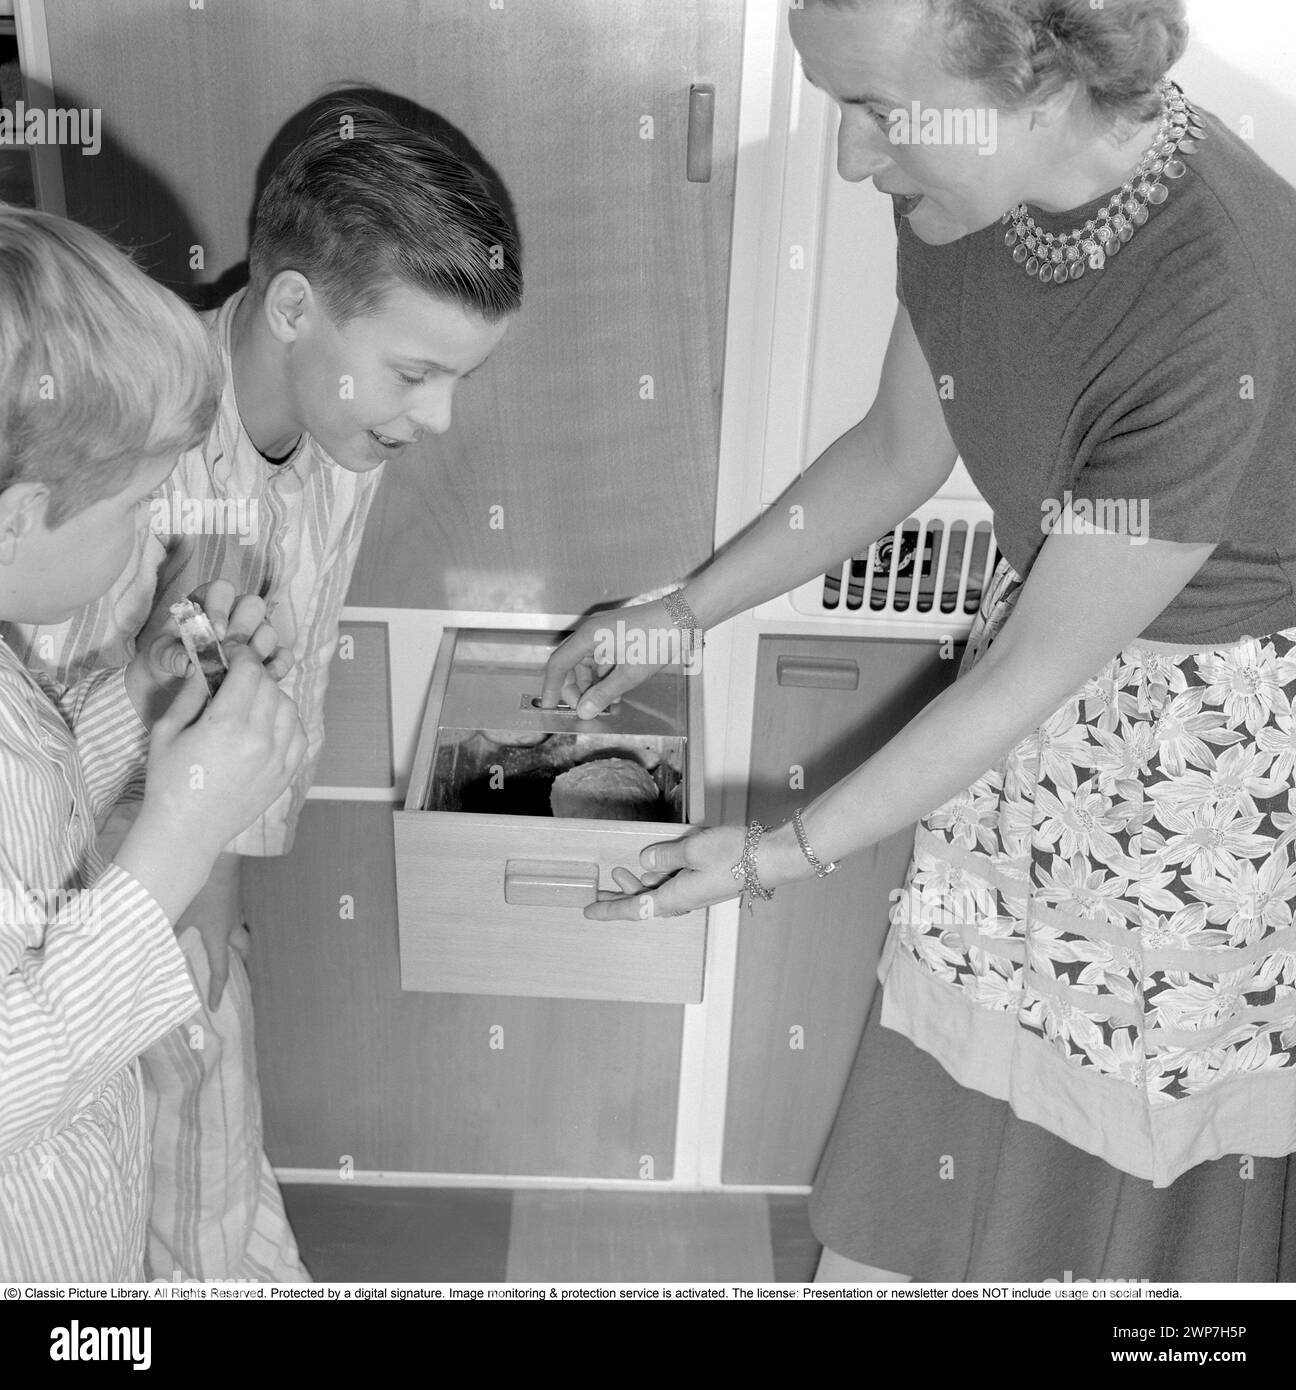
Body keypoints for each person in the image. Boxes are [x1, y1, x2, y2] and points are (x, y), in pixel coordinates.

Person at [541, 0, 1296, 1282]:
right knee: (957, 1038)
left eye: (877, 114)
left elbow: (1031, 680)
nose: (849, 159)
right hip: (1041, 675)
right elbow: (901, 450)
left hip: (1202, 764)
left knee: (1116, 1117)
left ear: (1046, 84)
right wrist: (682, 614)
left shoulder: (1218, 291)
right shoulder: (961, 194)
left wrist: (773, 857)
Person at [6, 95, 522, 1281]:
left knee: (213, 1195)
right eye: (416, 373)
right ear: (294, 308)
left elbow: (131, 709)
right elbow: (50, 792)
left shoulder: (347, 424)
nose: (437, 417)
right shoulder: (126, 458)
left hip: (197, 907)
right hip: (112, 943)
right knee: (180, 1218)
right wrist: (190, 935)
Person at [0, 207, 306, 1279]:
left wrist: (148, 688)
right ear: (18, 517)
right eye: (133, 507)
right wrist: (178, 838)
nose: (149, 531)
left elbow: (33, 802)